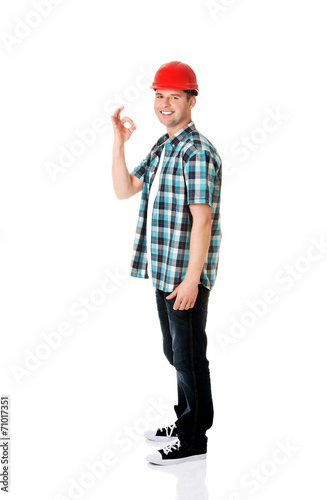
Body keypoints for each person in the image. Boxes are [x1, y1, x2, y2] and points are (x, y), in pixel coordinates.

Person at [111, 61, 222, 465]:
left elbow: (203, 219)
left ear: (192, 99)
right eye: (160, 96)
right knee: (175, 352)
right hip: (163, 273)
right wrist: (118, 142)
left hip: (185, 277)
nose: (165, 103)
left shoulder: (196, 151)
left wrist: (193, 279)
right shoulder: (164, 145)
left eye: (175, 96)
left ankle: (194, 440)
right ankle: (185, 419)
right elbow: (125, 190)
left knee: (190, 354)